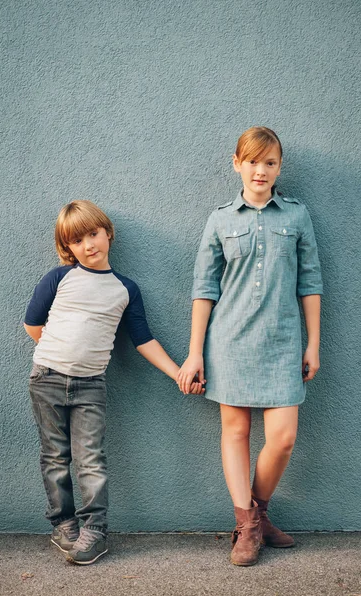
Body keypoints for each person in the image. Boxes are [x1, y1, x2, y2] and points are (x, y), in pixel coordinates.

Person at [24, 200, 203, 566]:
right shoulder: (59, 278)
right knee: (55, 456)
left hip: (91, 385)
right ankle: (63, 525)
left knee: (90, 458)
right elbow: (32, 325)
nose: (89, 245)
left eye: (93, 234)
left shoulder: (125, 288)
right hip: (47, 379)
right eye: (78, 240)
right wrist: (62, 353)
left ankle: (95, 530)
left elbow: (143, 340)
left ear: (108, 234)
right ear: (67, 248)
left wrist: (178, 372)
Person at [177, 126, 323, 566]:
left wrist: (313, 343)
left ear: (280, 167)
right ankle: (248, 524)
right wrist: (195, 350)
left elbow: (310, 282)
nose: (261, 170)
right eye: (253, 161)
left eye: (270, 162)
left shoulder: (297, 216)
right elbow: (204, 289)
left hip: (282, 342)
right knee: (236, 432)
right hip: (229, 342)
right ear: (236, 163)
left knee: (283, 438)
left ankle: (254, 516)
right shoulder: (220, 219)